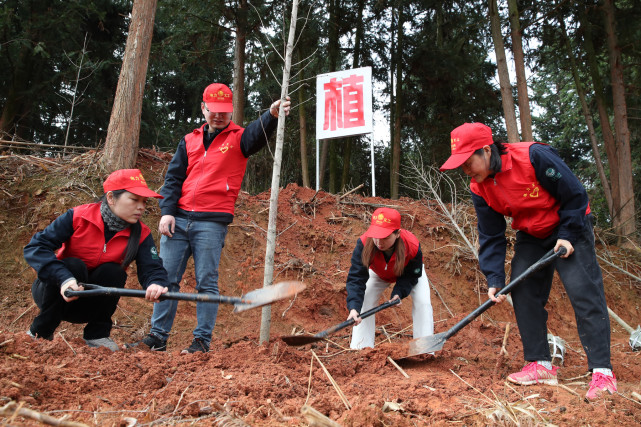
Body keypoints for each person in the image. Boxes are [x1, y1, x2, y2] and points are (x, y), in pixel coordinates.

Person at [439, 122, 616, 400]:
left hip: (569, 225)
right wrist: (494, 279)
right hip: (532, 233)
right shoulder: (479, 187)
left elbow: (575, 195)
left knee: (583, 292)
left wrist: (568, 234)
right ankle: (540, 365)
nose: (465, 170)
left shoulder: (534, 157)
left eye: (467, 161)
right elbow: (491, 234)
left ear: (486, 150)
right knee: (522, 290)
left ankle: (602, 372)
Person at [131, 83, 291, 354]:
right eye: (214, 110)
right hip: (178, 219)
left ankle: (202, 341)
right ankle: (158, 337)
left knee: (207, 281)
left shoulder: (239, 138)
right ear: (203, 108)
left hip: (212, 222)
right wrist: (167, 212)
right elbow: (173, 179)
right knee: (167, 278)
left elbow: (257, 134)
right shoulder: (189, 140)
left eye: (225, 112)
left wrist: (271, 115)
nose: (219, 116)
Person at [24, 169, 169, 351]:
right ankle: (41, 332)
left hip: (90, 304)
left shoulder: (142, 233)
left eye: (144, 202)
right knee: (73, 265)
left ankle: (97, 335)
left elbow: (152, 267)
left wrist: (155, 283)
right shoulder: (78, 216)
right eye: (134, 199)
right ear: (111, 198)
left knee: (114, 272)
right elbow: (36, 247)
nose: (141, 207)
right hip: (56, 293)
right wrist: (64, 278)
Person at [345, 207, 434, 349]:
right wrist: (354, 308)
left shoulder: (412, 245)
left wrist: (399, 292)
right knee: (365, 300)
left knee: (423, 303)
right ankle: (361, 348)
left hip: (407, 273)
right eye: (376, 236)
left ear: (397, 233)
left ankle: (424, 349)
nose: (379, 242)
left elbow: (412, 275)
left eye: (385, 237)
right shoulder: (363, 244)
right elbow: (356, 277)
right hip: (379, 273)